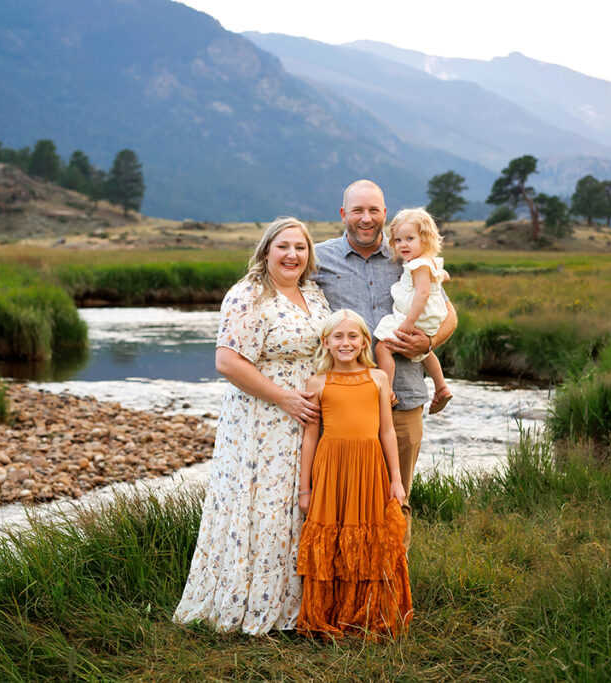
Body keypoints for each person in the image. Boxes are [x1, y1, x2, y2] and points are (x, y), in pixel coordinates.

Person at [173, 217, 331, 635]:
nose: (292, 255)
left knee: (301, 503)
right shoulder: (249, 295)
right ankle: (254, 606)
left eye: (300, 247)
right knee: (266, 506)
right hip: (262, 420)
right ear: (266, 251)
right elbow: (227, 362)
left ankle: (299, 606)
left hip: (309, 418)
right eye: (283, 247)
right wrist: (283, 397)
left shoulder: (314, 294)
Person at [313, 180, 456, 539]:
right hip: (342, 406)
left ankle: (394, 574)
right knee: (343, 503)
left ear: (384, 214)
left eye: (373, 210)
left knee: (397, 500)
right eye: (357, 210)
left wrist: (428, 341)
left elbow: (449, 315)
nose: (366, 218)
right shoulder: (318, 258)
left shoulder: (407, 255)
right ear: (343, 214)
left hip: (403, 398)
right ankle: (349, 572)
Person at [296, 309, 413, 639]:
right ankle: (331, 614)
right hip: (332, 468)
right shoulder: (317, 382)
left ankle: (367, 612)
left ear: (365, 342)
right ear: (326, 343)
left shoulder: (379, 379)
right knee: (333, 535)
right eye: (338, 337)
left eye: (352, 336)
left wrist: (396, 479)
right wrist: (305, 489)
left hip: (370, 466)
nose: (345, 343)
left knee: (369, 534)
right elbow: (310, 437)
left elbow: (387, 431)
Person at [373, 207, 453, 414]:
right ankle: (441, 386)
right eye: (398, 240)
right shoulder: (430, 261)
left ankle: (387, 390)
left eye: (410, 239)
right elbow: (444, 276)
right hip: (428, 318)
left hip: (415, 316)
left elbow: (423, 294)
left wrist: (408, 322)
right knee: (424, 351)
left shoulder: (418, 265)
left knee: (383, 347)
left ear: (425, 239)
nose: (403, 245)